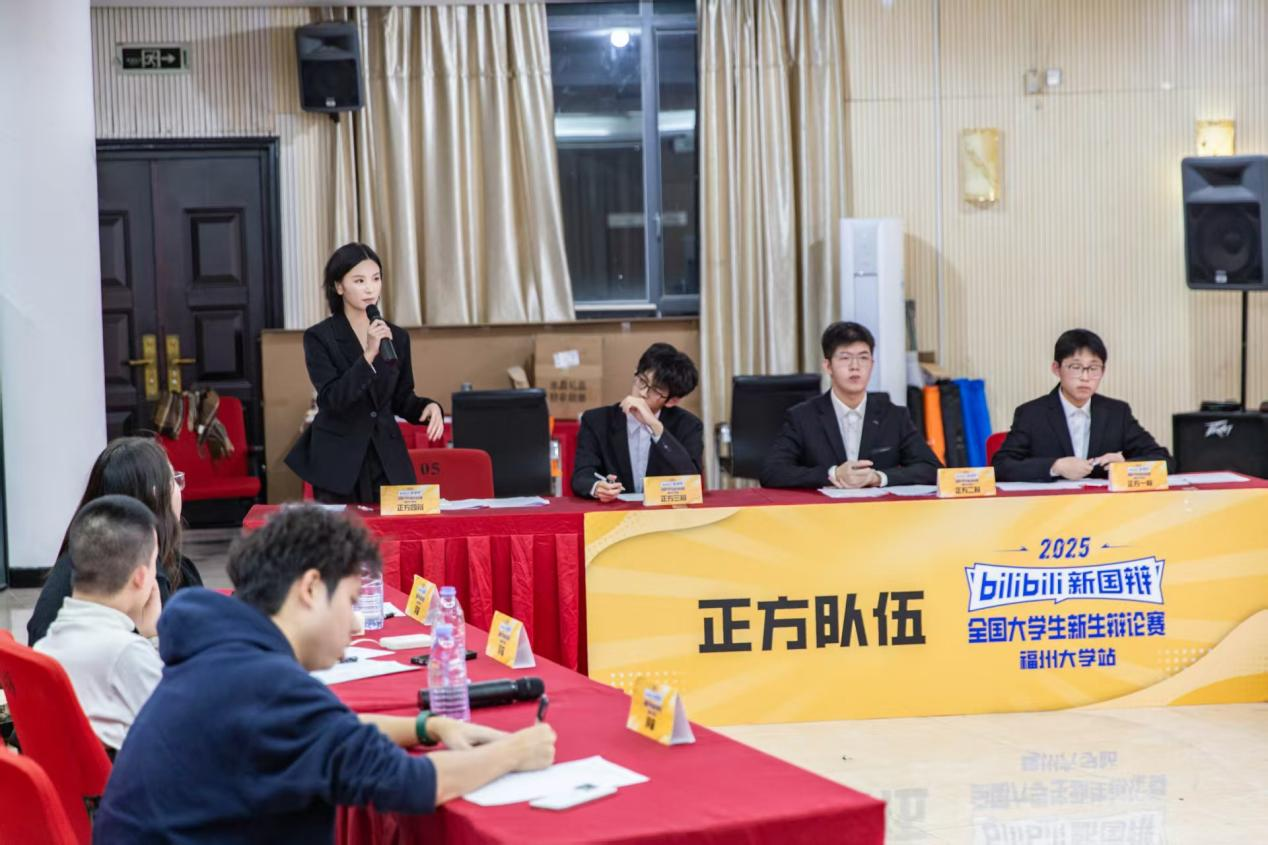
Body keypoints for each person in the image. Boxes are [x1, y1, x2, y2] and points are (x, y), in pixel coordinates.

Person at [94, 505, 556, 842]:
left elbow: (321, 729)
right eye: (351, 601)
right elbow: (411, 784)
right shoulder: (266, 684)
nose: (357, 624)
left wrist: (427, 726)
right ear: (312, 588)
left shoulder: (224, 651)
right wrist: (518, 749)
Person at [285, 243, 444, 504]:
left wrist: (428, 407)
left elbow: (402, 399)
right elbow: (332, 399)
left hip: (386, 457)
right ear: (339, 286)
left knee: (397, 529)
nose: (370, 288)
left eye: (376, 279)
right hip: (339, 460)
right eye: (359, 281)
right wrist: (369, 354)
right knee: (345, 531)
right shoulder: (319, 337)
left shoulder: (397, 337)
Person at [28, 436, 202, 646]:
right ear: (156, 494)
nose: (179, 489)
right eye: (174, 479)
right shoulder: (145, 575)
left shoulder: (78, 557)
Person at [34, 496, 163, 753]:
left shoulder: (45, 646)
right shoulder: (127, 653)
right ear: (141, 576)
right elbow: (181, 727)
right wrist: (153, 640)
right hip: (126, 776)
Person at [761, 321, 941, 489]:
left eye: (863, 358)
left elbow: (932, 469)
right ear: (828, 366)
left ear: (872, 364)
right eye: (845, 358)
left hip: (878, 510)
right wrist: (833, 474)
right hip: (823, 510)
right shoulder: (802, 417)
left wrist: (878, 477)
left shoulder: (894, 416)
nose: (855, 366)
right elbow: (772, 472)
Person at [991, 328, 1172, 482]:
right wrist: (1055, 466)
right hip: (1049, 508)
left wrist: (1125, 465)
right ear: (1056, 369)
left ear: (1103, 371)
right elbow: (1000, 466)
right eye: (1076, 367)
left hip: (1105, 507)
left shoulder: (1117, 413)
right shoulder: (1032, 414)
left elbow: (1166, 461)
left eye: (1093, 368)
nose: (1085, 377)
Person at [571, 342, 703, 501]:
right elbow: (582, 475)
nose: (643, 392)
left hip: (664, 512)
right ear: (635, 372)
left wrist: (656, 427)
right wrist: (597, 486)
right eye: (642, 381)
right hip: (613, 511)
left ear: (672, 401)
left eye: (655, 390)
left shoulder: (689, 425)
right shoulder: (596, 421)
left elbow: (692, 481)